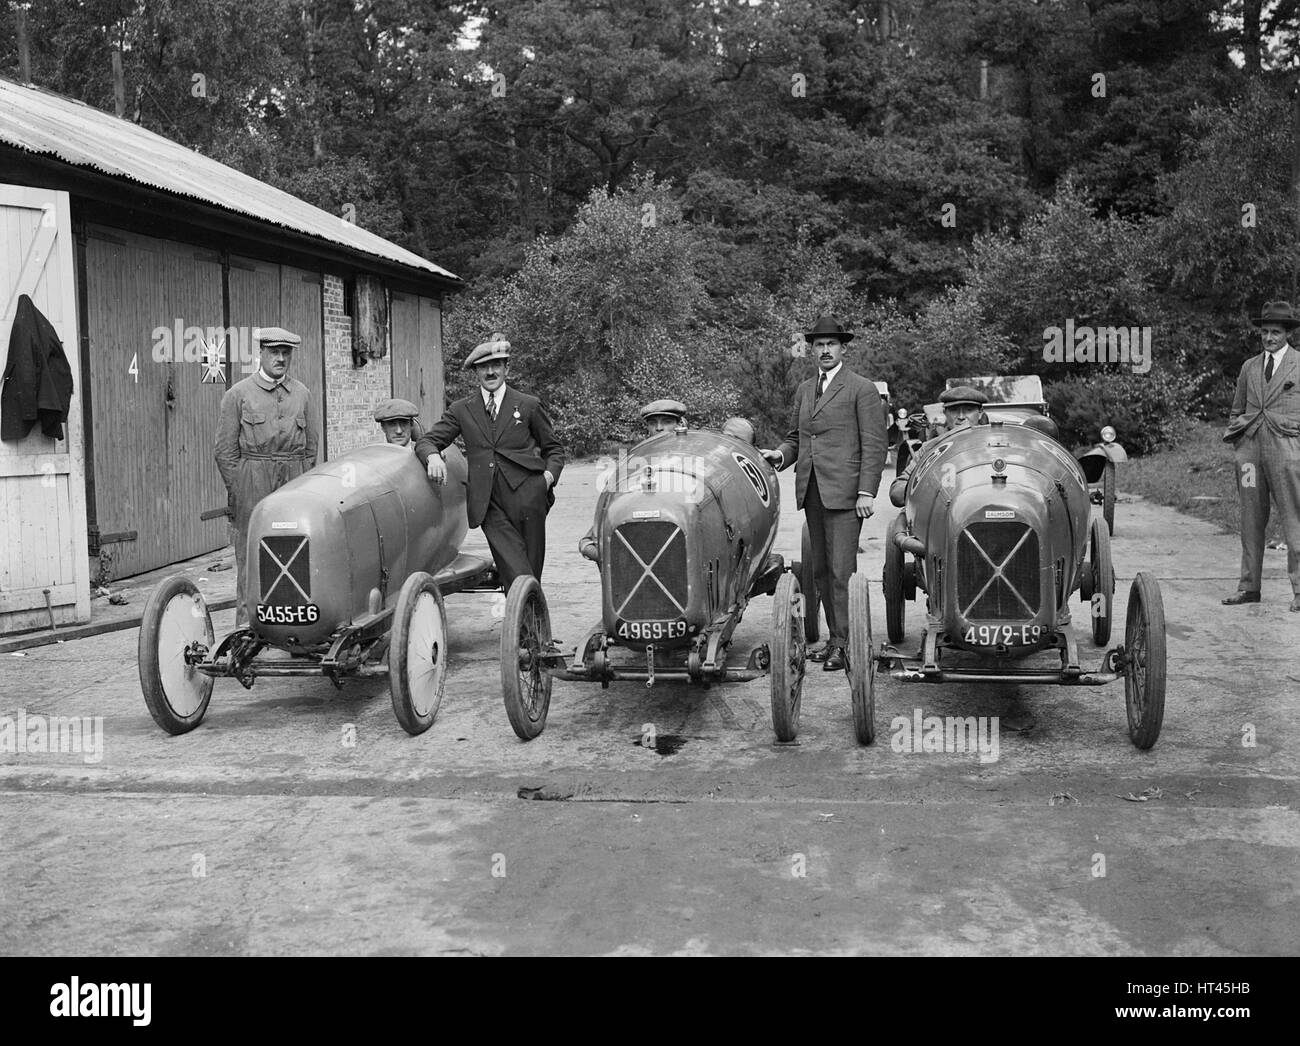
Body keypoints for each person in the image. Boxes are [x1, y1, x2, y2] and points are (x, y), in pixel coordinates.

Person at [761, 315, 889, 671]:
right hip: (812, 492)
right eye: (819, 345)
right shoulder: (805, 389)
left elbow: (875, 445)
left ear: (842, 348)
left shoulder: (861, 389)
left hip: (847, 495)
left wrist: (866, 492)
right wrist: (781, 456)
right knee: (819, 572)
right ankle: (835, 639)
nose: (825, 350)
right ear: (811, 350)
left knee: (840, 571)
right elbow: (796, 437)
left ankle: (845, 643)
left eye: (831, 344)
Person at [415, 333, 564, 593]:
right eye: (484, 367)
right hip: (488, 504)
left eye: (496, 365)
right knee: (515, 569)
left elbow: (554, 450)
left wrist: (547, 479)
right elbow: (427, 441)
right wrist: (432, 456)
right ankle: (529, 628)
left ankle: (528, 630)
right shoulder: (462, 409)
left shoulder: (528, 405)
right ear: (476, 373)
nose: (491, 371)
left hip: (529, 497)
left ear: (507, 368)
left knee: (529, 569)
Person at [214, 326, 318, 625]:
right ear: (260, 353)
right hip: (252, 481)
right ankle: (246, 628)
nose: (281, 358)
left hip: (294, 479)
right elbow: (224, 451)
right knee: (251, 555)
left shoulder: (303, 394)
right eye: (274, 352)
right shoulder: (238, 394)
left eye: (286, 353)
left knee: (295, 550)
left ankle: (293, 626)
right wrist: (242, 487)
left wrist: (302, 483)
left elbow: (311, 448)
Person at [1222, 300, 1300, 611]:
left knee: (1294, 519)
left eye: (1275, 333)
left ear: (1288, 335)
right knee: (1251, 518)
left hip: (1287, 452)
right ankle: (1249, 587)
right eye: (1265, 332)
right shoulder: (1249, 367)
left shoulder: (1298, 364)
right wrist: (1239, 440)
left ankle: (1299, 592)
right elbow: (1236, 408)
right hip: (1250, 454)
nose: (1269, 338)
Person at [579, 398, 688, 564]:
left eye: (666, 422)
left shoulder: (691, 456)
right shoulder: (637, 458)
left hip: (680, 526)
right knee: (591, 544)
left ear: (680, 424)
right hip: (640, 526)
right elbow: (617, 498)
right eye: (653, 423)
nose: (659, 428)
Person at [889, 386, 988, 506]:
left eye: (968, 410)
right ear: (945, 412)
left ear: (980, 412)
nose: (961, 416)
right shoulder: (930, 448)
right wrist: (922, 488)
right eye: (954, 410)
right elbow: (898, 489)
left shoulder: (994, 446)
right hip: (941, 514)